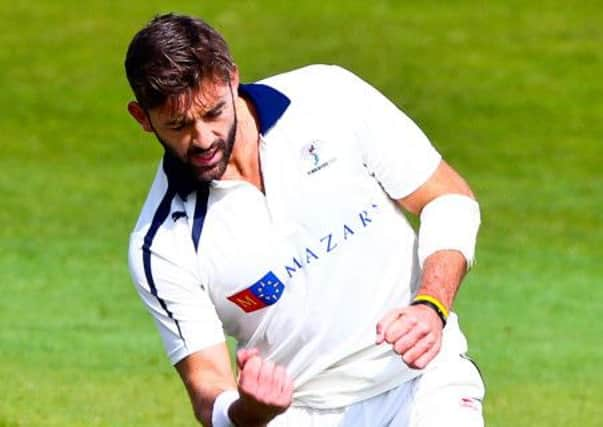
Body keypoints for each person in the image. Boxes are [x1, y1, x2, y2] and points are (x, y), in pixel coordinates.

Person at [125, 13, 485, 427]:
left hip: (422, 381)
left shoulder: (328, 96)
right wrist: (250, 410)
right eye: (179, 125)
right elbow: (208, 386)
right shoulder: (160, 245)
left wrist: (432, 304)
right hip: (301, 412)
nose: (203, 138)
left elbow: (447, 198)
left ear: (232, 77)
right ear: (142, 118)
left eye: (214, 112)